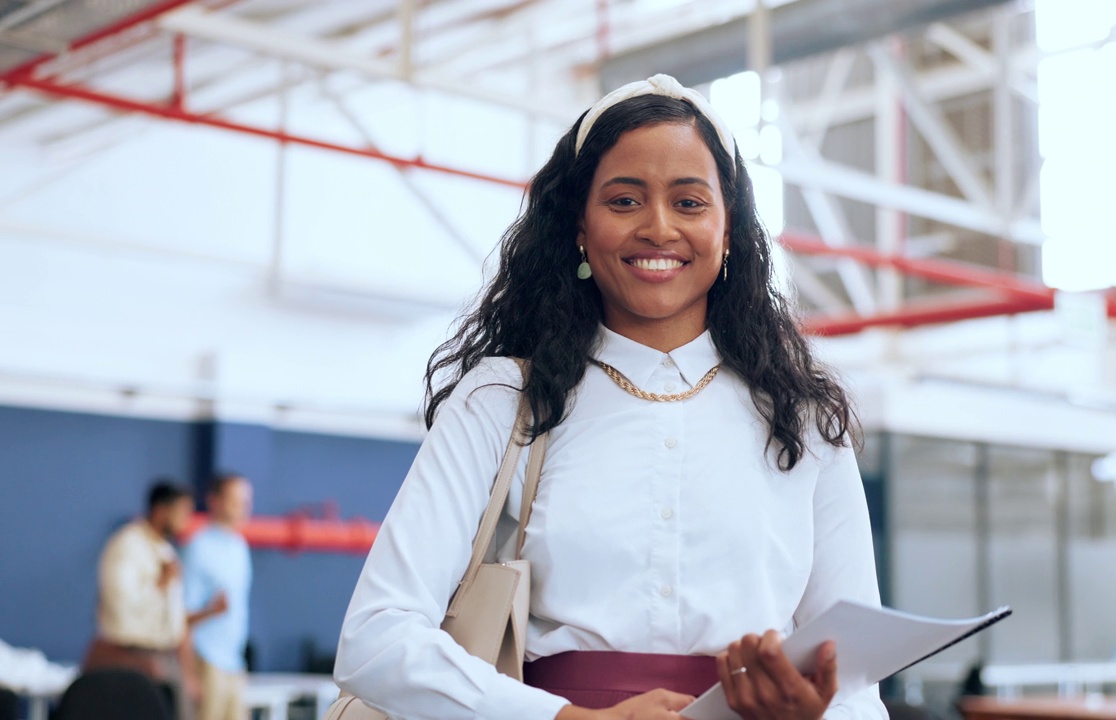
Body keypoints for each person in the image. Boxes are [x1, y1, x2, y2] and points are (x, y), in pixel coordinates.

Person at [335, 74, 886, 720]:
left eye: (689, 203)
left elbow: (856, 688)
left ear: (730, 230)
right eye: (624, 201)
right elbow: (374, 638)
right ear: (578, 225)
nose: (658, 229)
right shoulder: (503, 400)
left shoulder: (805, 419)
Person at [85, 480, 213, 720]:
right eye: (182, 511)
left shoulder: (165, 550)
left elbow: (175, 619)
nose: (186, 520)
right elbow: (120, 606)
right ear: (162, 510)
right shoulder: (127, 545)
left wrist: (187, 672)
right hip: (131, 657)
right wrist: (160, 584)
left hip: (166, 657)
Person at [182, 474, 253, 720]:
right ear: (215, 501)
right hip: (207, 661)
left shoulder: (239, 546)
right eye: (235, 501)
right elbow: (182, 617)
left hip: (234, 662)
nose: (243, 508)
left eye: (246, 501)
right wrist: (189, 675)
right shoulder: (198, 547)